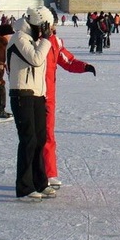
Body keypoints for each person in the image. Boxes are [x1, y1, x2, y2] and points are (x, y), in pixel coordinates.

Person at [6, 6, 55, 201]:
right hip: (21, 94)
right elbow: (35, 60)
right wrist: (46, 40)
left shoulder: (33, 39)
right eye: (46, 27)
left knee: (40, 139)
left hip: (36, 95)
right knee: (28, 140)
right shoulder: (19, 38)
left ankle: (40, 182)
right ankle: (25, 187)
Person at [44, 12, 96, 189]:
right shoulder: (29, 42)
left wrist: (84, 66)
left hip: (48, 96)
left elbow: (68, 60)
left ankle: (49, 173)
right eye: (52, 25)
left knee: (48, 135)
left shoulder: (55, 42)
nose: (54, 28)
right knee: (32, 138)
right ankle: (33, 175)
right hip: (29, 94)